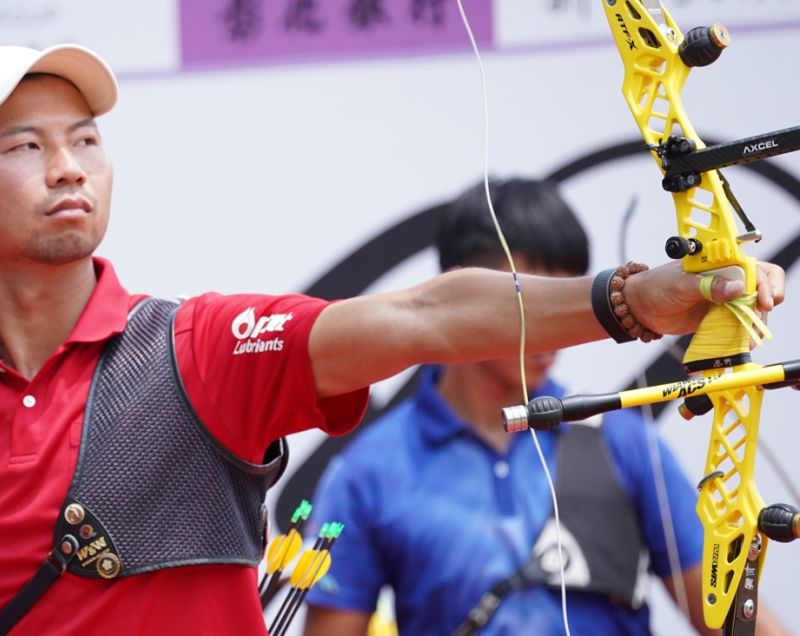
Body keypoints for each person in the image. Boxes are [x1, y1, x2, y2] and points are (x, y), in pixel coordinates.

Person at [0, 44, 786, 636]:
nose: (69, 163)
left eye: (83, 136)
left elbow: (426, 317)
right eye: (25, 145)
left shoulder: (197, 348)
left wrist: (630, 297)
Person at [301, 179, 788, 636]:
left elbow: (729, 613)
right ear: (460, 296)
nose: (555, 330)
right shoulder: (369, 471)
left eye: (567, 300)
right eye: (530, 303)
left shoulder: (623, 441)